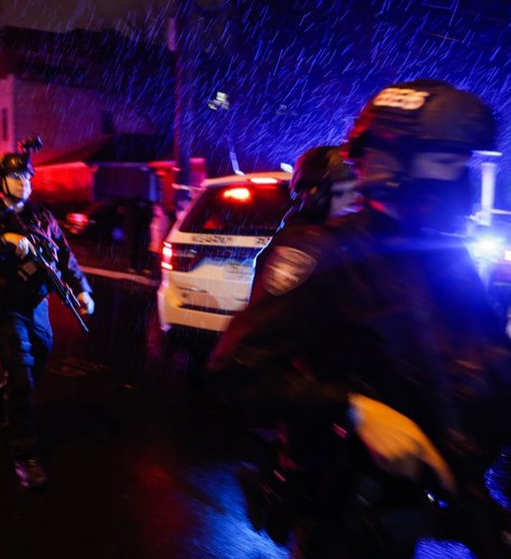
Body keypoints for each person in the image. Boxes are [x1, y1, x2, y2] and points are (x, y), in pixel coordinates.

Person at [208, 80, 511, 557]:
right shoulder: (320, 253)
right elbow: (236, 373)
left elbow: (483, 358)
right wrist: (354, 411)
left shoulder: (442, 256)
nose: (460, 180)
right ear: (393, 163)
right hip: (341, 514)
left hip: (419, 505)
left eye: (463, 166)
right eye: (448, 164)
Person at [0, 150, 94, 489]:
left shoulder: (43, 217)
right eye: (18, 177)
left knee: (38, 360)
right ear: (1, 181)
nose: (25, 183)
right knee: (22, 376)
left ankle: (1, 396)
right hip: (6, 305)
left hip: (37, 304)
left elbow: (65, 256)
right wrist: (4, 243)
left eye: (28, 177)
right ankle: (26, 455)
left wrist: (82, 290)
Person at [249, 144, 357, 300]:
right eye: (346, 192)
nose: (356, 199)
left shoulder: (344, 238)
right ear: (317, 196)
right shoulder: (301, 249)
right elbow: (270, 319)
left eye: (358, 190)